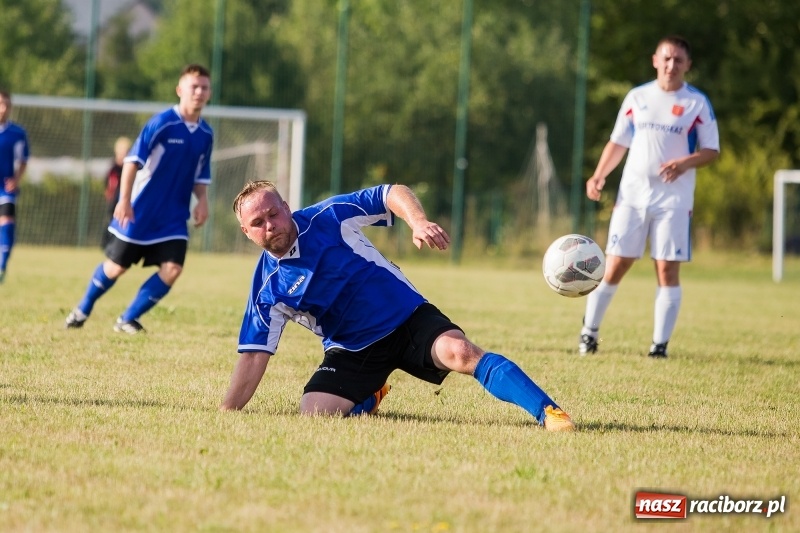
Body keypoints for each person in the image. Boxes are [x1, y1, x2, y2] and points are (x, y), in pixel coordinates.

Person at [219, 180, 576, 432]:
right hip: (351, 349)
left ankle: (549, 413)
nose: (270, 225)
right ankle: (370, 394)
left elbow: (391, 193)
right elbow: (253, 355)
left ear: (286, 207)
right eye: (258, 223)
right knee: (314, 413)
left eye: (273, 214)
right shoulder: (267, 288)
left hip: (406, 319)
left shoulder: (328, 217)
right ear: (246, 232)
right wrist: (226, 413)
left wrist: (417, 222)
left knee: (460, 352)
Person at [579, 35, 720, 358]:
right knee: (614, 264)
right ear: (655, 60)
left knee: (667, 269)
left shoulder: (696, 103)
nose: (672, 65)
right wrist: (599, 175)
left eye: (679, 60)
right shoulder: (637, 97)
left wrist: (685, 162)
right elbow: (618, 142)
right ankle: (589, 333)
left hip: (674, 200)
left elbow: (712, 151)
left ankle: (659, 346)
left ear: (688, 65)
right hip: (631, 196)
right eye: (666, 59)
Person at [65, 64, 213, 334]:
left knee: (173, 269)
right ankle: (82, 308)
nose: (199, 92)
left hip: (174, 217)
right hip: (139, 212)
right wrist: (124, 200)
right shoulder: (162, 123)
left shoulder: (206, 134)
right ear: (180, 90)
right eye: (194, 86)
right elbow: (132, 163)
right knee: (116, 267)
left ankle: (127, 319)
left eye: (204, 87)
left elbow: (201, 174)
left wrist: (202, 201)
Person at [0, 90, 30, 283]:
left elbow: (23, 160)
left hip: (5, 188)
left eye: (6, 105)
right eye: (0, 104)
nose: (3, 109)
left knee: (7, 223)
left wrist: (16, 180)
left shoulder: (17, 133)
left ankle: (1, 267)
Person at [100, 136, 133, 249]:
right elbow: (107, 184)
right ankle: (107, 244)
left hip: (127, 200)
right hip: (114, 201)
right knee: (112, 221)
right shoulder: (113, 169)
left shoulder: (131, 168)